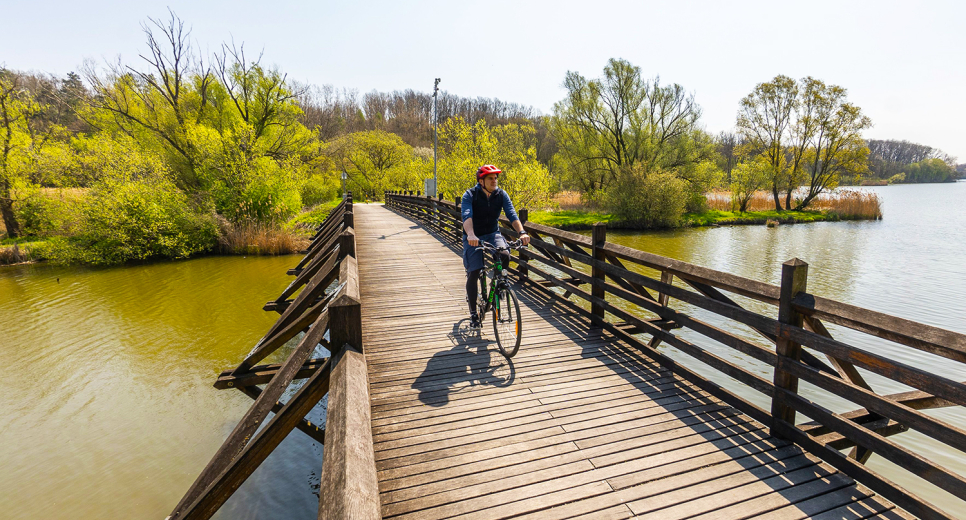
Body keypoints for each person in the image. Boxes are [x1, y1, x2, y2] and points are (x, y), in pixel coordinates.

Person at [461, 164, 531, 328]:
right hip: (473, 236)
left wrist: (522, 232)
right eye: (490, 178)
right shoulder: (470, 195)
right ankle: (473, 313)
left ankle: (498, 288)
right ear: (481, 181)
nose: (494, 181)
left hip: (493, 234)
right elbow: (467, 216)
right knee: (474, 271)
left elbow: (511, 214)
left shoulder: (501, 195)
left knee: (505, 255)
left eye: (495, 178)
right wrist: (471, 234)